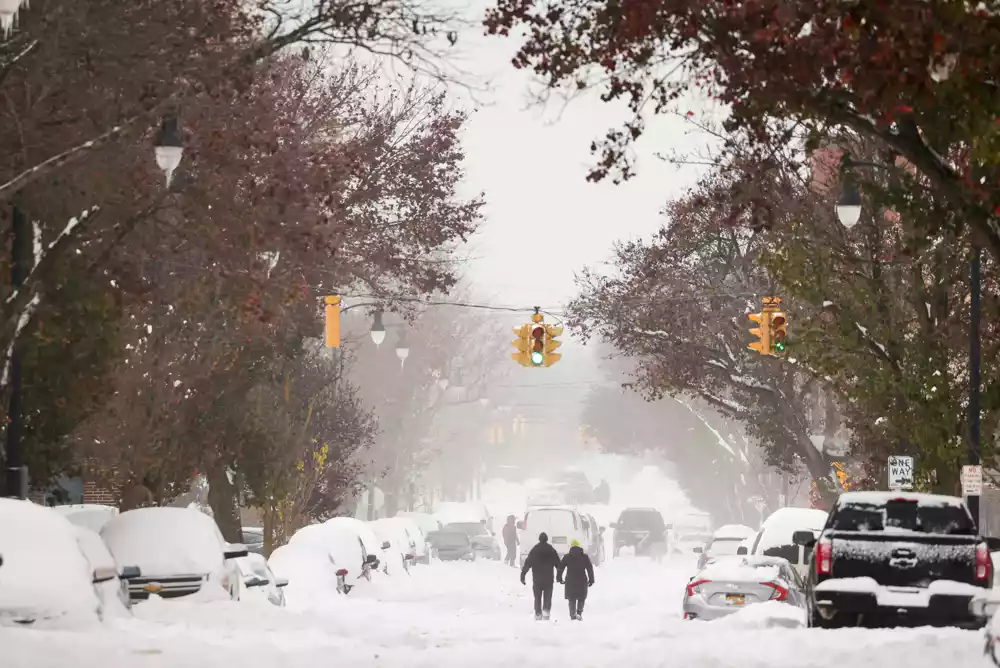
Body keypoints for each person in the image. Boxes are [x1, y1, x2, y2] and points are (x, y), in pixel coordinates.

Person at [520, 531, 560, 620]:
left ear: (539, 539)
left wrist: (523, 574)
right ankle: (546, 610)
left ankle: (538, 613)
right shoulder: (551, 550)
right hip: (548, 578)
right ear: (547, 539)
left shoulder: (535, 550)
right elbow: (558, 564)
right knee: (548, 595)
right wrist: (559, 576)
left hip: (537, 579)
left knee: (537, 597)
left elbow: (528, 563)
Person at [557, 539, 595, 621]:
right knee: (581, 598)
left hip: (570, 580)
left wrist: (559, 578)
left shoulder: (567, 557)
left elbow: (561, 568)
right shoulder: (584, 557)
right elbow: (589, 568)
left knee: (571, 598)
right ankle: (579, 613)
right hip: (582, 580)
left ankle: (572, 614)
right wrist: (591, 580)